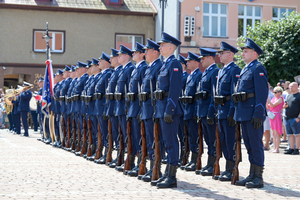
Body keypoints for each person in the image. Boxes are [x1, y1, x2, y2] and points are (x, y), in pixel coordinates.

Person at [234, 38, 268, 189]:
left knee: (255, 145)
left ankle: (258, 177)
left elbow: (261, 93)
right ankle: (252, 174)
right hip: (244, 112)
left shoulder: (258, 68)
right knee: (248, 145)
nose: (243, 53)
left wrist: (258, 113)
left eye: (246, 51)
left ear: (254, 53)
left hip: (253, 112)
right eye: (243, 51)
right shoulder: (246, 68)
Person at [153, 32, 183, 188]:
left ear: (171, 47)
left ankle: (171, 177)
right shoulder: (165, 64)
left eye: (163, 45)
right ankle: (167, 174)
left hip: (169, 109)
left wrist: (169, 109)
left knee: (171, 142)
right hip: (162, 107)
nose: (160, 47)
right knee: (166, 142)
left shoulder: (175, 64)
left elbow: (175, 89)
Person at [214, 41, 241, 181]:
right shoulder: (222, 70)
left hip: (228, 111)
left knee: (230, 141)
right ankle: (227, 167)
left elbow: (234, 93)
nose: (219, 55)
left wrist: (232, 111)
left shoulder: (235, 70)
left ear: (230, 54)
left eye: (222, 53)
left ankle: (231, 168)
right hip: (221, 111)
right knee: (223, 141)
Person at [195, 47, 219, 176]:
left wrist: (211, 112)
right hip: (203, 111)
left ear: (210, 58)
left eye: (203, 58)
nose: (201, 60)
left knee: (212, 139)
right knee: (208, 140)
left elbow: (214, 95)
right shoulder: (206, 72)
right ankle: (209, 163)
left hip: (209, 111)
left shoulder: (215, 71)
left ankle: (213, 163)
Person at [126, 42, 148, 176]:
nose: (133, 54)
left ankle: (142, 163)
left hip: (139, 108)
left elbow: (142, 92)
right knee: (134, 137)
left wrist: (140, 110)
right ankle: (135, 163)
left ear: (142, 54)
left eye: (135, 52)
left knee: (141, 138)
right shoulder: (136, 68)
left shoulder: (143, 68)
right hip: (132, 108)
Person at [180, 51, 202, 172]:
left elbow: (197, 97)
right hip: (187, 111)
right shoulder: (191, 76)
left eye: (189, 61)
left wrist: (196, 112)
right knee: (188, 137)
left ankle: (195, 160)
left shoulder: (198, 75)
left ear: (195, 62)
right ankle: (191, 160)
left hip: (193, 111)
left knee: (195, 137)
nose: (187, 63)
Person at [115, 45, 135, 172]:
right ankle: (126, 160)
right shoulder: (123, 70)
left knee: (130, 135)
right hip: (121, 107)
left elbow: (129, 91)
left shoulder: (130, 69)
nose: (118, 57)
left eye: (120, 55)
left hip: (126, 107)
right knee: (123, 135)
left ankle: (132, 161)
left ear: (127, 56)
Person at [105, 48, 123, 168]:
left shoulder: (122, 70)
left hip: (121, 107)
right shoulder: (116, 72)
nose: (110, 59)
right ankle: (118, 156)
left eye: (113, 57)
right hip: (114, 106)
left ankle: (125, 158)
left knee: (122, 134)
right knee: (115, 133)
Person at [94, 52, 113, 163]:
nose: (98, 63)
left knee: (106, 132)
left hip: (103, 107)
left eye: (100, 61)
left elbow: (107, 93)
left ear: (106, 63)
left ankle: (107, 153)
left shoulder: (107, 74)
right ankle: (104, 153)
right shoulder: (102, 75)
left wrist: (106, 108)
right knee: (102, 131)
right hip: (98, 107)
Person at [177, 54, 189, 166]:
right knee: (180, 134)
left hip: (184, 109)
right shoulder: (180, 76)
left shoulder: (185, 77)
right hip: (179, 108)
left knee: (184, 135)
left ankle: (184, 156)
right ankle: (181, 156)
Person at [283, 82, 300, 155]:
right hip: (287, 118)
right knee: (290, 134)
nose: (290, 87)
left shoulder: (299, 95)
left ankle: (297, 149)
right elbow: (284, 105)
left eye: (292, 86)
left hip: (295, 118)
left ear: (297, 86)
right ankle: (291, 148)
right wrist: (284, 106)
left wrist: (298, 117)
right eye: (290, 86)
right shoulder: (289, 95)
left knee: (297, 134)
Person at [267, 86, 284, 153]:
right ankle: (274, 147)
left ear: (279, 92)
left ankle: (277, 148)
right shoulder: (274, 98)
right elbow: (268, 106)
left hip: (276, 115)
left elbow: (273, 105)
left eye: (275, 92)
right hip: (272, 116)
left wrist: (267, 99)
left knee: (276, 133)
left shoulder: (280, 99)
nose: (274, 93)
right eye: (274, 92)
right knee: (273, 133)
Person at [263, 83, 275, 150]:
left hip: (268, 114)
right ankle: (262, 144)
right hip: (260, 113)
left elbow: (273, 105)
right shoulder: (260, 92)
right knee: (261, 131)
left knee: (267, 130)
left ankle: (267, 144)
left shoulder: (271, 94)